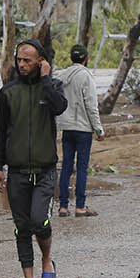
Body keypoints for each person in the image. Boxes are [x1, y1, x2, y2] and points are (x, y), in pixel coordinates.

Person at [0, 39, 67, 278]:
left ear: (40, 62)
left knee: (39, 220)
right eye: (19, 60)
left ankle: (47, 260)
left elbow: (60, 107)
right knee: (22, 226)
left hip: (45, 170)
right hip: (17, 172)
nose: (22, 65)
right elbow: (1, 132)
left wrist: (46, 80)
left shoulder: (53, 87)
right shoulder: (8, 92)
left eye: (28, 60)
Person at [56, 44, 106, 217]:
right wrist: (98, 129)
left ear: (71, 58)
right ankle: (80, 206)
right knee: (82, 168)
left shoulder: (62, 75)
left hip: (66, 127)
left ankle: (63, 206)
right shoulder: (86, 76)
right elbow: (91, 105)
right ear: (87, 58)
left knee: (66, 167)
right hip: (83, 129)